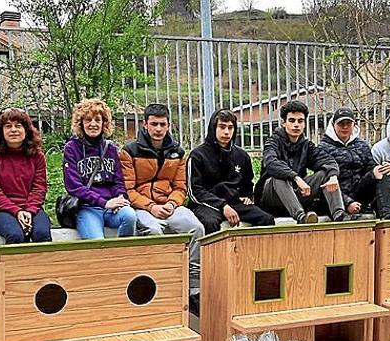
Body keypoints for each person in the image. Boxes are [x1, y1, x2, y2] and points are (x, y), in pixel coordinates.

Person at [120, 102, 204, 261]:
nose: (158, 129)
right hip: (142, 208)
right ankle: (160, 276)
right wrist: (151, 207)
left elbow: (180, 187)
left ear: (168, 126)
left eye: (162, 124)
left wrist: (171, 204)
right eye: (153, 124)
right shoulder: (129, 151)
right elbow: (128, 191)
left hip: (169, 205)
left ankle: (193, 277)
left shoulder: (178, 153)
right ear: (145, 125)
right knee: (153, 231)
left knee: (197, 228)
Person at [254, 100, 348, 223]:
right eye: (292, 121)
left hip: (298, 195)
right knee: (279, 177)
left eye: (300, 121)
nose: (296, 125)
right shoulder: (273, 142)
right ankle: (301, 217)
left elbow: (327, 160)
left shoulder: (306, 145)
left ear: (304, 124)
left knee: (326, 173)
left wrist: (333, 176)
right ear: (284, 123)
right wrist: (296, 178)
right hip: (272, 198)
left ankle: (339, 214)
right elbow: (271, 163)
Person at [188, 109, 275, 234]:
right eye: (222, 127)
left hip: (234, 203)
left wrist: (248, 196)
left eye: (230, 128)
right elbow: (195, 192)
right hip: (206, 204)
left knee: (267, 219)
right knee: (210, 223)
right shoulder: (197, 155)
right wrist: (222, 206)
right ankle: (214, 254)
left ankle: (257, 254)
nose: (226, 132)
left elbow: (247, 183)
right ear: (213, 128)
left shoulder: (242, 155)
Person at [64, 98, 136, 238]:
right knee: (98, 242)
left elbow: (118, 181)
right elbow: (74, 186)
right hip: (87, 208)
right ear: (81, 123)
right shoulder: (71, 149)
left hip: (112, 207)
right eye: (88, 120)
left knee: (130, 216)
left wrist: (120, 197)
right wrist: (104, 202)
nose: (93, 124)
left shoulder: (110, 148)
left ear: (104, 123)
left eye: (98, 120)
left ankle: (122, 255)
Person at [0, 108, 52, 244]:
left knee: (41, 233)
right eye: (8, 126)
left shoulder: (37, 156)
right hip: (1, 210)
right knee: (15, 235)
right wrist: (16, 211)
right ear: (1, 132)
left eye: (18, 126)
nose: (13, 130)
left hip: (32, 208)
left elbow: (40, 187)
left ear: (26, 130)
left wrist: (30, 210)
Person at [318, 107, 390, 219]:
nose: (345, 127)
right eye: (341, 124)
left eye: (348, 123)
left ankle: (386, 217)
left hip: (360, 192)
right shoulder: (322, 148)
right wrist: (347, 202)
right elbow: (324, 180)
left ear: (354, 125)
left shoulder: (362, 145)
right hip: (336, 198)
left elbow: (371, 168)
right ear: (333, 125)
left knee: (382, 171)